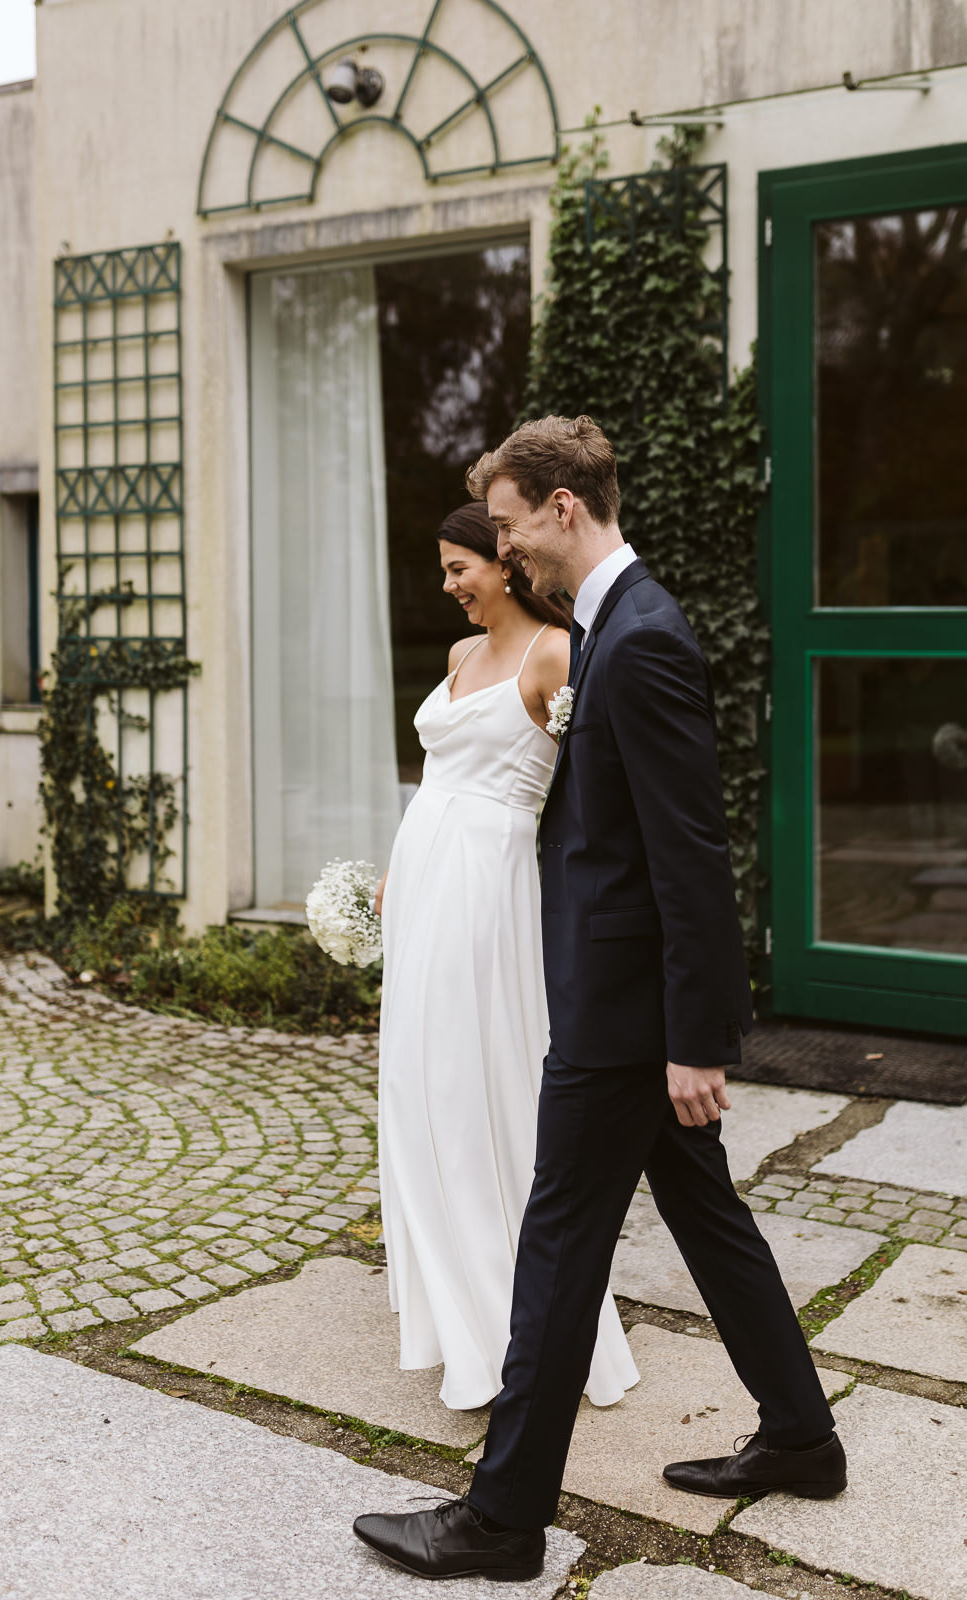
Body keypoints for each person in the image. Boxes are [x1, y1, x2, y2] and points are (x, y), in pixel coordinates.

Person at [355, 417, 846, 1582]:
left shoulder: (643, 638)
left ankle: (501, 1520)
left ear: (562, 508)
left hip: (624, 1019)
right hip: (611, 996)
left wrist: (695, 1040)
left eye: (514, 521)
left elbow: (690, 853)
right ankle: (802, 1436)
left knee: (558, 1240)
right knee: (705, 1217)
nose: (507, 547)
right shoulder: (604, 626)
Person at [375, 501, 639, 1412]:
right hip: (424, 887)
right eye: (443, 571)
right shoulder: (456, 659)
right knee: (414, 1089)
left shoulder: (555, 657)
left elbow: (592, 797)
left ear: (506, 561)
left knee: (474, 1087)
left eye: (461, 568)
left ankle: (510, 1327)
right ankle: (455, 1311)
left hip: (489, 894)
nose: (448, 586)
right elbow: (437, 779)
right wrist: (395, 867)